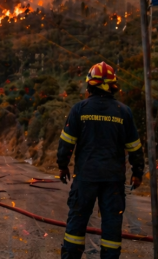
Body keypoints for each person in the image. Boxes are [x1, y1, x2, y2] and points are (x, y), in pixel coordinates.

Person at [57, 62, 144, 258]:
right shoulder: (124, 112)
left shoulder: (79, 109)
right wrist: (138, 172)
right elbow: (135, 147)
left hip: (86, 177)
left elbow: (66, 144)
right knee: (112, 227)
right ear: (114, 86)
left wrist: (62, 166)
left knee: (76, 224)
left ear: (90, 86)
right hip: (113, 180)